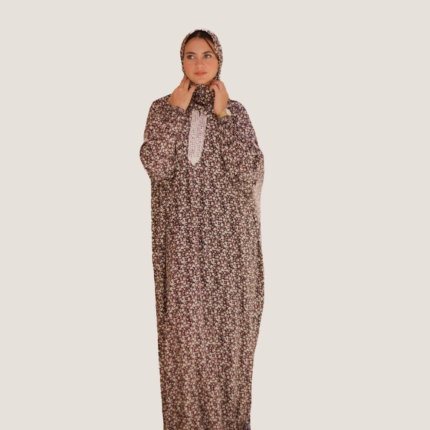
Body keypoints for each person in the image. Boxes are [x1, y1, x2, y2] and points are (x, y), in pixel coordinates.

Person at [139, 28, 264, 430]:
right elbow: (156, 166)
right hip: (181, 252)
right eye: (190, 56)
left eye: (207, 55)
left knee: (228, 348)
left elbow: (248, 172)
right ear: (181, 61)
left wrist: (224, 116)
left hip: (229, 253)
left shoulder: (235, 112)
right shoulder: (162, 109)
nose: (198, 63)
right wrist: (176, 113)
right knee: (184, 347)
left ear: (219, 60)